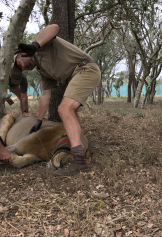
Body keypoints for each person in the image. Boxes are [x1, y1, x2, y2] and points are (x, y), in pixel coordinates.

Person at [11, 24, 101, 176]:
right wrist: (39, 120)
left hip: (86, 69)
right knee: (71, 112)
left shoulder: (39, 42)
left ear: (21, 54)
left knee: (64, 109)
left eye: (20, 65)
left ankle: (78, 160)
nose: (23, 69)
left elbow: (54, 27)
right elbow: (45, 95)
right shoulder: (42, 70)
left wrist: (35, 45)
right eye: (21, 70)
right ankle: (80, 147)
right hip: (77, 74)